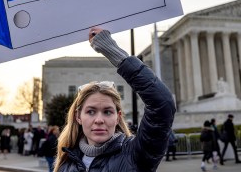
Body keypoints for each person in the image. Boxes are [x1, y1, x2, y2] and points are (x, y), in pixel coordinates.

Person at [54, 27, 176, 172]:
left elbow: (162, 104)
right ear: (78, 117)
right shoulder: (66, 164)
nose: (99, 120)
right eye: (91, 112)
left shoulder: (136, 155)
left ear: (118, 117)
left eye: (107, 112)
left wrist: (113, 51)